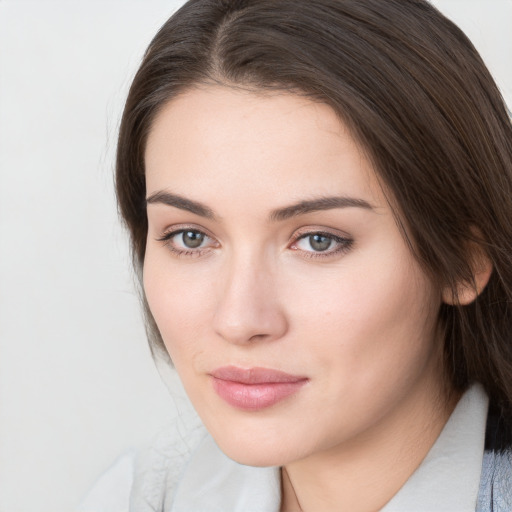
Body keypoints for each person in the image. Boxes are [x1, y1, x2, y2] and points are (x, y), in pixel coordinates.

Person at [79, 0, 512, 510]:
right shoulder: (138, 498)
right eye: (191, 237)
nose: (239, 320)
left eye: (318, 240)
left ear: (463, 259)